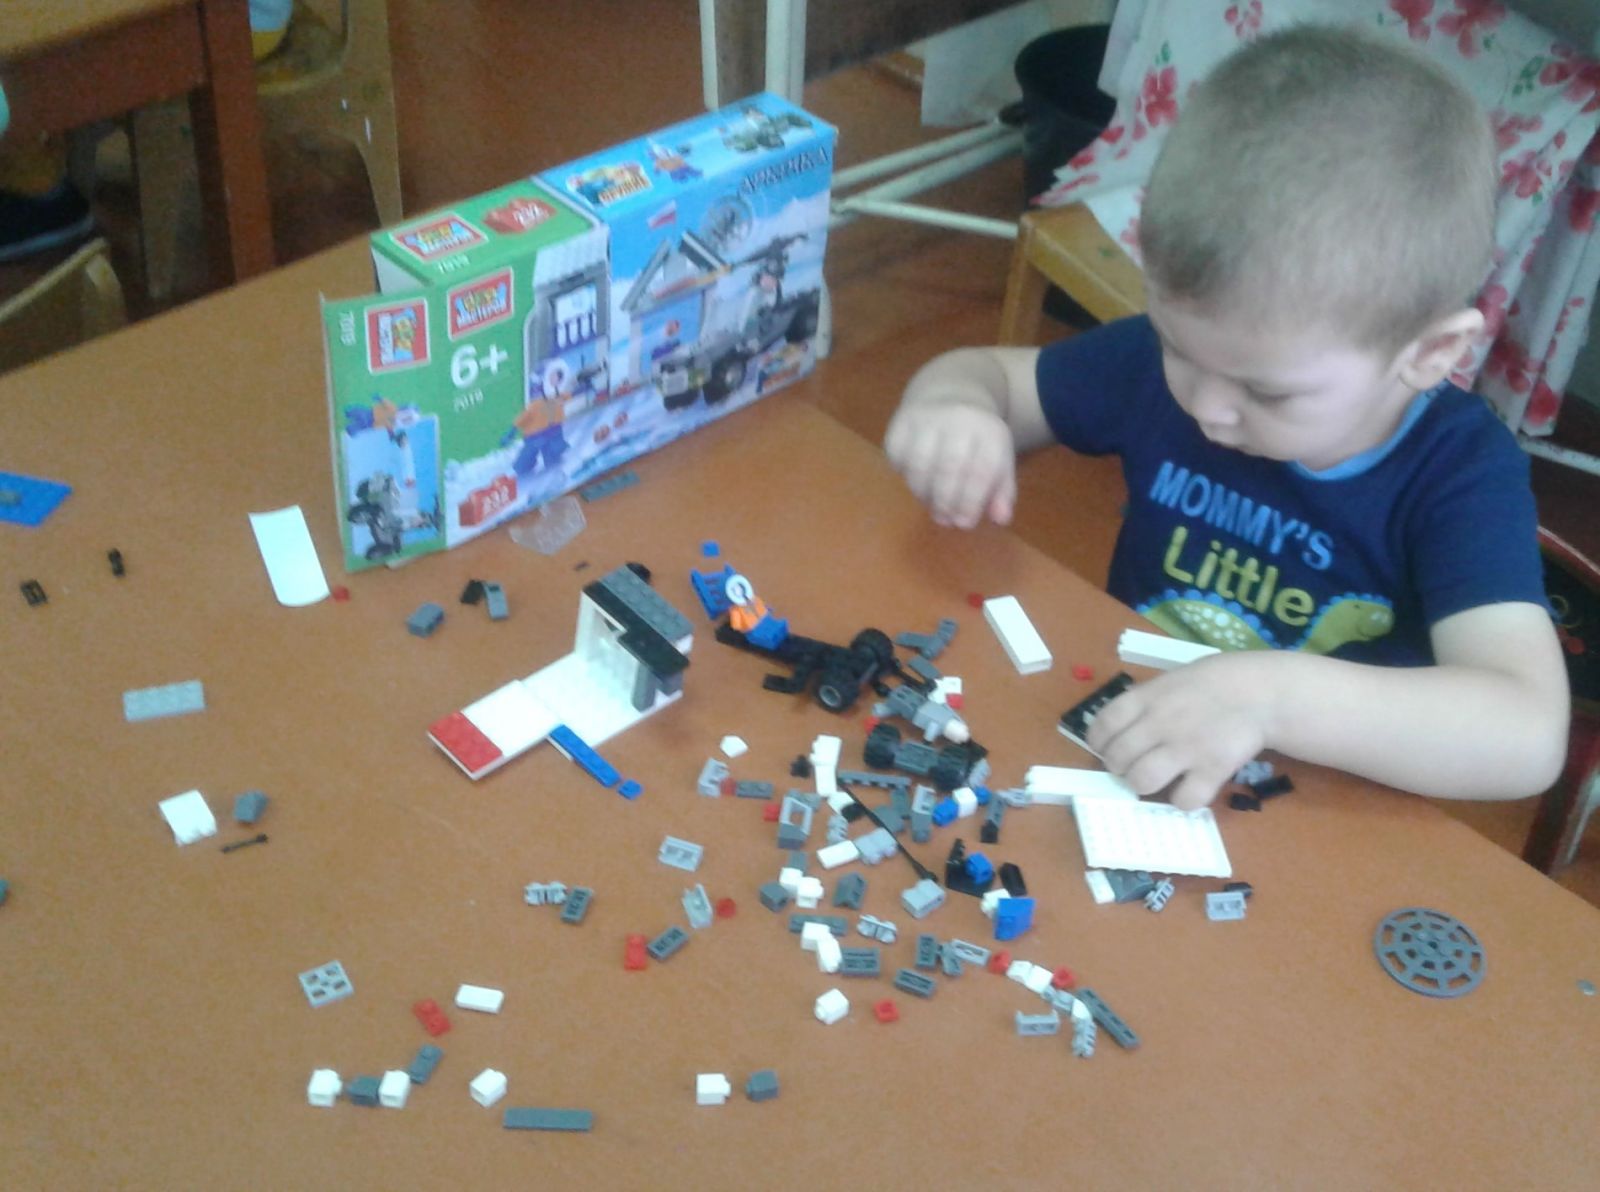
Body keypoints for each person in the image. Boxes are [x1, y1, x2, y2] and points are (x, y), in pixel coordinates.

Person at [884, 24, 1570, 810]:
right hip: (1134, 742)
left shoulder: (1460, 470)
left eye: (1267, 393)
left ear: (1430, 352)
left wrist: (1266, 699)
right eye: (1177, 345)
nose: (1205, 406)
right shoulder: (1172, 366)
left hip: (1315, 803)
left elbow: (1525, 734)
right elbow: (993, 380)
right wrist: (955, 404)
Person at [0, 0, 292, 263]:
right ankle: (40, 183)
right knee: (30, 38)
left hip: (233, 20)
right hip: (205, 14)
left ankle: (42, 194)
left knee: (29, 57)